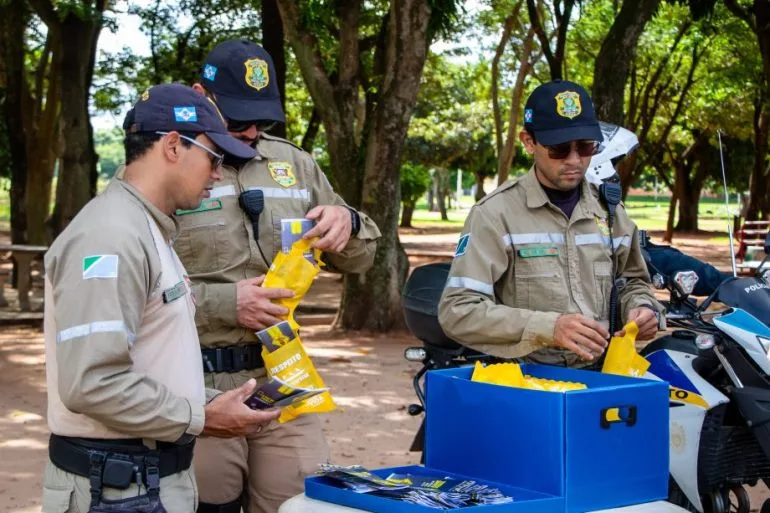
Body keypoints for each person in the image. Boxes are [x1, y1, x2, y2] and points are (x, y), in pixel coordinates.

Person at [41, 83, 281, 513]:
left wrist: (209, 402)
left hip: (141, 480)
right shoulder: (111, 236)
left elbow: (147, 362)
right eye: (214, 157)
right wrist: (202, 418)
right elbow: (91, 383)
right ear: (173, 146)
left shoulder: (148, 228)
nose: (218, 174)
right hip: (116, 488)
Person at [177, 40, 381, 513]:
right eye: (236, 118)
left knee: (303, 501)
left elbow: (360, 259)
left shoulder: (296, 163)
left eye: (262, 120)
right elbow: (135, 286)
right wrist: (224, 303)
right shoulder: (173, 166)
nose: (250, 132)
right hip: (198, 380)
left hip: (284, 375)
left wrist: (347, 222)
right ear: (198, 96)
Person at [438, 79, 663, 368]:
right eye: (559, 148)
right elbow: (458, 311)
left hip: (604, 376)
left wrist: (643, 309)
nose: (574, 160)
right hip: (527, 381)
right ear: (529, 142)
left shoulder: (611, 211)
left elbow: (633, 282)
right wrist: (548, 328)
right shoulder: (495, 215)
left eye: (585, 147)